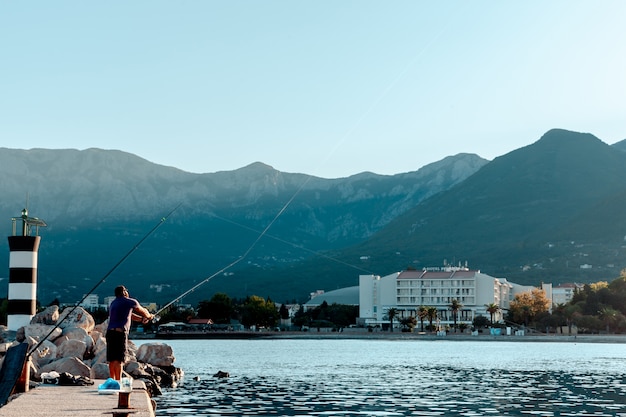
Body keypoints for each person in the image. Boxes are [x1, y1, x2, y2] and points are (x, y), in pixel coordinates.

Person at [106, 285, 154, 380]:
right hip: (120, 333)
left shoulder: (113, 303)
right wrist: (149, 316)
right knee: (119, 360)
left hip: (110, 333)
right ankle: (118, 382)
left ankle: (112, 381)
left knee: (112, 360)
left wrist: (141, 320)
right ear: (124, 292)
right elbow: (142, 310)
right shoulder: (130, 301)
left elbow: (130, 315)